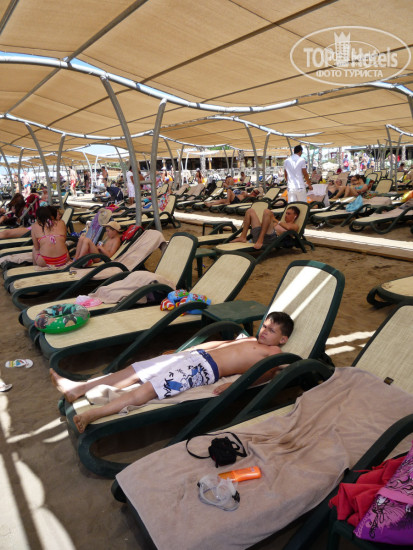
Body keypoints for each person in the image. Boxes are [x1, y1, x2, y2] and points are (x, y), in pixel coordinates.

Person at [50, 311, 294, 433]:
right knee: (136, 369)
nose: (264, 331)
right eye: (265, 326)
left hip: (202, 369)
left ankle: (94, 414)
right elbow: (220, 344)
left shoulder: (273, 352)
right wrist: (185, 350)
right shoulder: (251, 339)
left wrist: (234, 385)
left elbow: (265, 374)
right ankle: (78, 388)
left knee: (149, 389)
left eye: (271, 331)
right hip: (194, 357)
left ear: (283, 340)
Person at [231, 205, 300, 250]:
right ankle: (243, 237)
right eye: (286, 213)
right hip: (260, 234)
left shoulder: (295, 226)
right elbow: (263, 226)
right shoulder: (279, 223)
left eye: (289, 214)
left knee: (267, 211)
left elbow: (288, 228)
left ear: (295, 216)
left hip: (269, 239)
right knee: (250, 211)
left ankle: (260, 240)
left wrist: (274, 219)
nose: (286, 215)